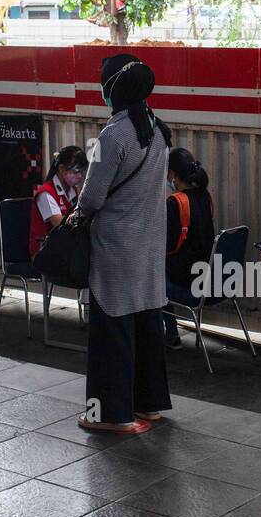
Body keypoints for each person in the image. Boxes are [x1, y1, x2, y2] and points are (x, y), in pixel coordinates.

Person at [72, 53, 173, 433]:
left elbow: (92, 197)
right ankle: (149, 404)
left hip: (115, 248)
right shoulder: (158, 128)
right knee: (147, 325)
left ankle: (109, 413)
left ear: (112, 88)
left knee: (111, 332)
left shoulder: (111, 135)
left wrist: (78, 213)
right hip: (148, 246)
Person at [162, 147, 214, 349]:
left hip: (185, 280)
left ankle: (170, 334)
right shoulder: (205, 197)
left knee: (149, 275)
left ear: (173, 174)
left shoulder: (175, 202)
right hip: (207, 277)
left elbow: (165, 246)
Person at [30, 145, 85, 256]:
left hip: (64, 247)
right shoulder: (45, 193)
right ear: (61, 169)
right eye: (76, 172)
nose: (80, 176)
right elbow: (60, 225)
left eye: (82, 172)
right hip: (44, 253)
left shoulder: (73, 190)